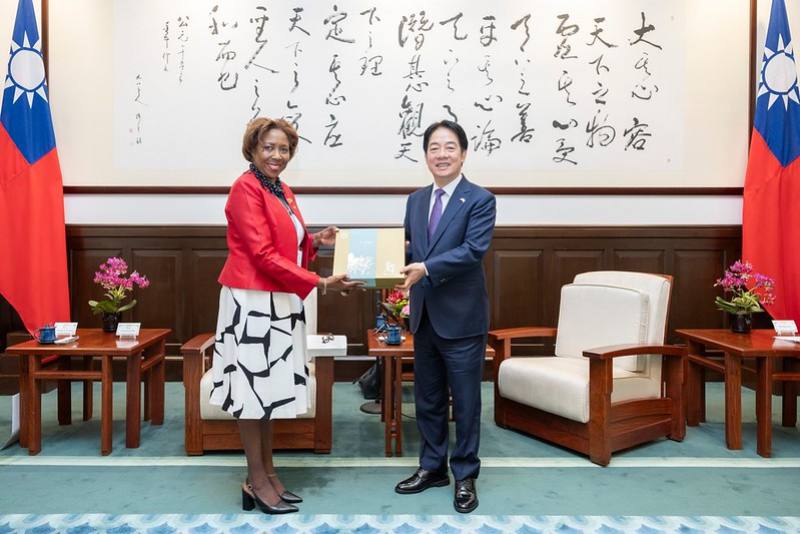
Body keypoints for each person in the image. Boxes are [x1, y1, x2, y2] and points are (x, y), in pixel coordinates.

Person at [211, 117, 361, 514]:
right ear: (253, 149)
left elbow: (285, 244)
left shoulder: (280, 189)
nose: (277, 155)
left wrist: (314, 241)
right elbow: (261, 254)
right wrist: (322, 282)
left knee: (270, 391)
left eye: (284, 149)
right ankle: (255, 479)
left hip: (278, 302)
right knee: (251, 392)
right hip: (252, 303)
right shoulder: (245, 188)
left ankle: (270, 474)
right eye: (269, 148)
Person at [394, 120, 496, 513]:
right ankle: (432, 467)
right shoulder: (416, 200)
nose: (441, 154)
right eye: (434, 148)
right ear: (425, 156)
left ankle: (465, 474)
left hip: (462, 318)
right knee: (428, 398)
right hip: (424, 316)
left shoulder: (480, 199)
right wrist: (369, 258)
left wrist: (427, 268)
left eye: (449, 147)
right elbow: (408, 249)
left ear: (464, 154)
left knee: (466, 401)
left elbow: (473, 250)